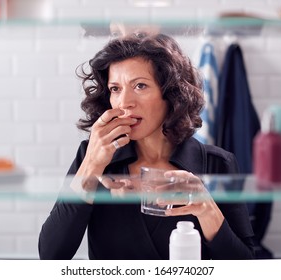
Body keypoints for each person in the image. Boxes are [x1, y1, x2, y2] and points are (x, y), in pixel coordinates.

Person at [38, 33, 255, 260]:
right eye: (115, 89)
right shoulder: (91, 156)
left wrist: (207, 209)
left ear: (171, 93)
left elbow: (245, 267)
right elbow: (51, 255)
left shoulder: (217, 163)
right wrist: (91, 165)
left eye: (140, 85)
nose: (124, 102)